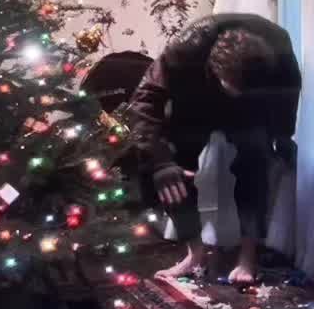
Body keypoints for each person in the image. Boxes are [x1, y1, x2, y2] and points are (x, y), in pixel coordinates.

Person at [127, 14, 301, 285]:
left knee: (256, 162)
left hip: (254, 106)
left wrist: (282, 135)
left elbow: (289, 94)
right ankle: (195, 254)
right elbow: (144, 102)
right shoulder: (184, 49)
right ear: (216, 69)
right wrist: (159, 161)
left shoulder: (279, 49)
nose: (236, 94)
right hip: (196, 101)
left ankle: (247, 258)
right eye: (234, 88)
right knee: (172, 170)